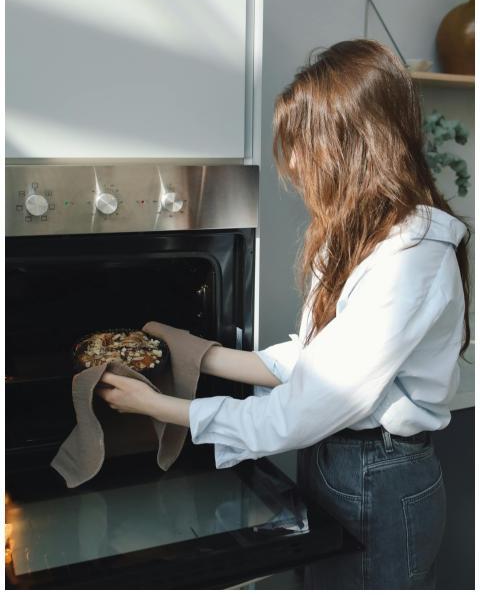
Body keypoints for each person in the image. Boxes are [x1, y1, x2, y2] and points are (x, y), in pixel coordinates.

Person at [97, 39, 471, 589]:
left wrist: (158, 405)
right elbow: (314, 359)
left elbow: (296, 414)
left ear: (355, 143)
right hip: (339, 460)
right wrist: (202, 354)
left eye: (303, 143)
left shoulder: (412, 257)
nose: (293, 162)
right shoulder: (357, 235)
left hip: (380, 477)